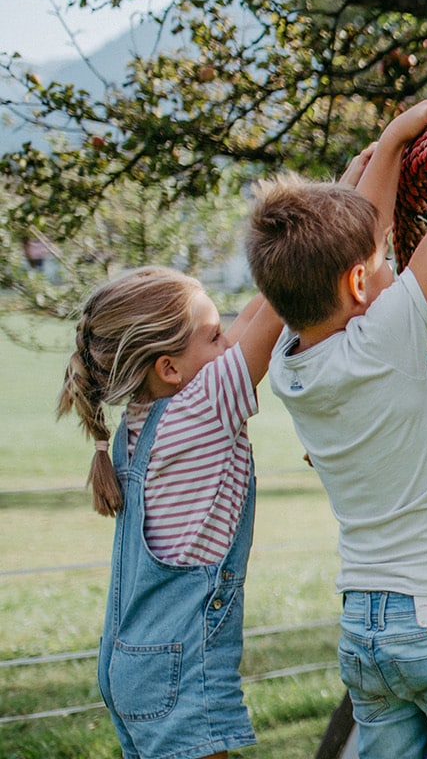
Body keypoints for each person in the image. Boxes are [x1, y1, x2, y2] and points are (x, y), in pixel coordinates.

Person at [246, 73, 427, 758]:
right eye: (380, 258)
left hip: (367, 630)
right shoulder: (384, 336)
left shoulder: (290, 362)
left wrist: (392, 142)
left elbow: (353, 232)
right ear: (357, 283)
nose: (387, 260)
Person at [57, 267, 283, 759]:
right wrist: (344, 216)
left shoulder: (137, 425)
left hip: (131, 665)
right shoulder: (202, 408)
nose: (229, 343)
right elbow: (291, 293)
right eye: (214, 336)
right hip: (178, 671)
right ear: (169, 369)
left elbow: (258, 308)